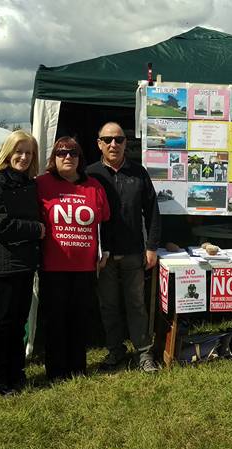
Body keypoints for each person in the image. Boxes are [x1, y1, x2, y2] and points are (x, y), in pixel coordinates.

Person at [86, 122, 163, 373]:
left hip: (133, 253)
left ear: (125, 143)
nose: (113, 144)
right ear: (99, 143)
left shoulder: (138, 172)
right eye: (107, 139)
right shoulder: (90, 174)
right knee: (108, 305)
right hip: (103, 255)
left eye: (118, 139)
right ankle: (115, 351)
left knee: (136, 305)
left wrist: (151, 247)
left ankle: (143, 353)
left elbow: (152, 212)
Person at [37, 136, 110, 381]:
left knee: (79, 319)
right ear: (53, 158)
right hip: (53, 266)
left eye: (73, 153)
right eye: (61, 153)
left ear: (80, 158)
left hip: (85, 268)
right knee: (55, 320)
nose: (68, 157)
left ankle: (78, 369)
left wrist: (105, 252)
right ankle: (56, 371)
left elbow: (105, 224)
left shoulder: (94, 186)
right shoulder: (41, 184)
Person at [0, 130, 44, 395]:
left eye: (29, 153)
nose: (24, 157)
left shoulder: (28, 183)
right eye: (19, 151)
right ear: (8, 152)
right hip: (2, 263)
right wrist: (35, 230)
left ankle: (15, 372)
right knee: (3, 322)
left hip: (25, 263)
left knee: (19, 322)